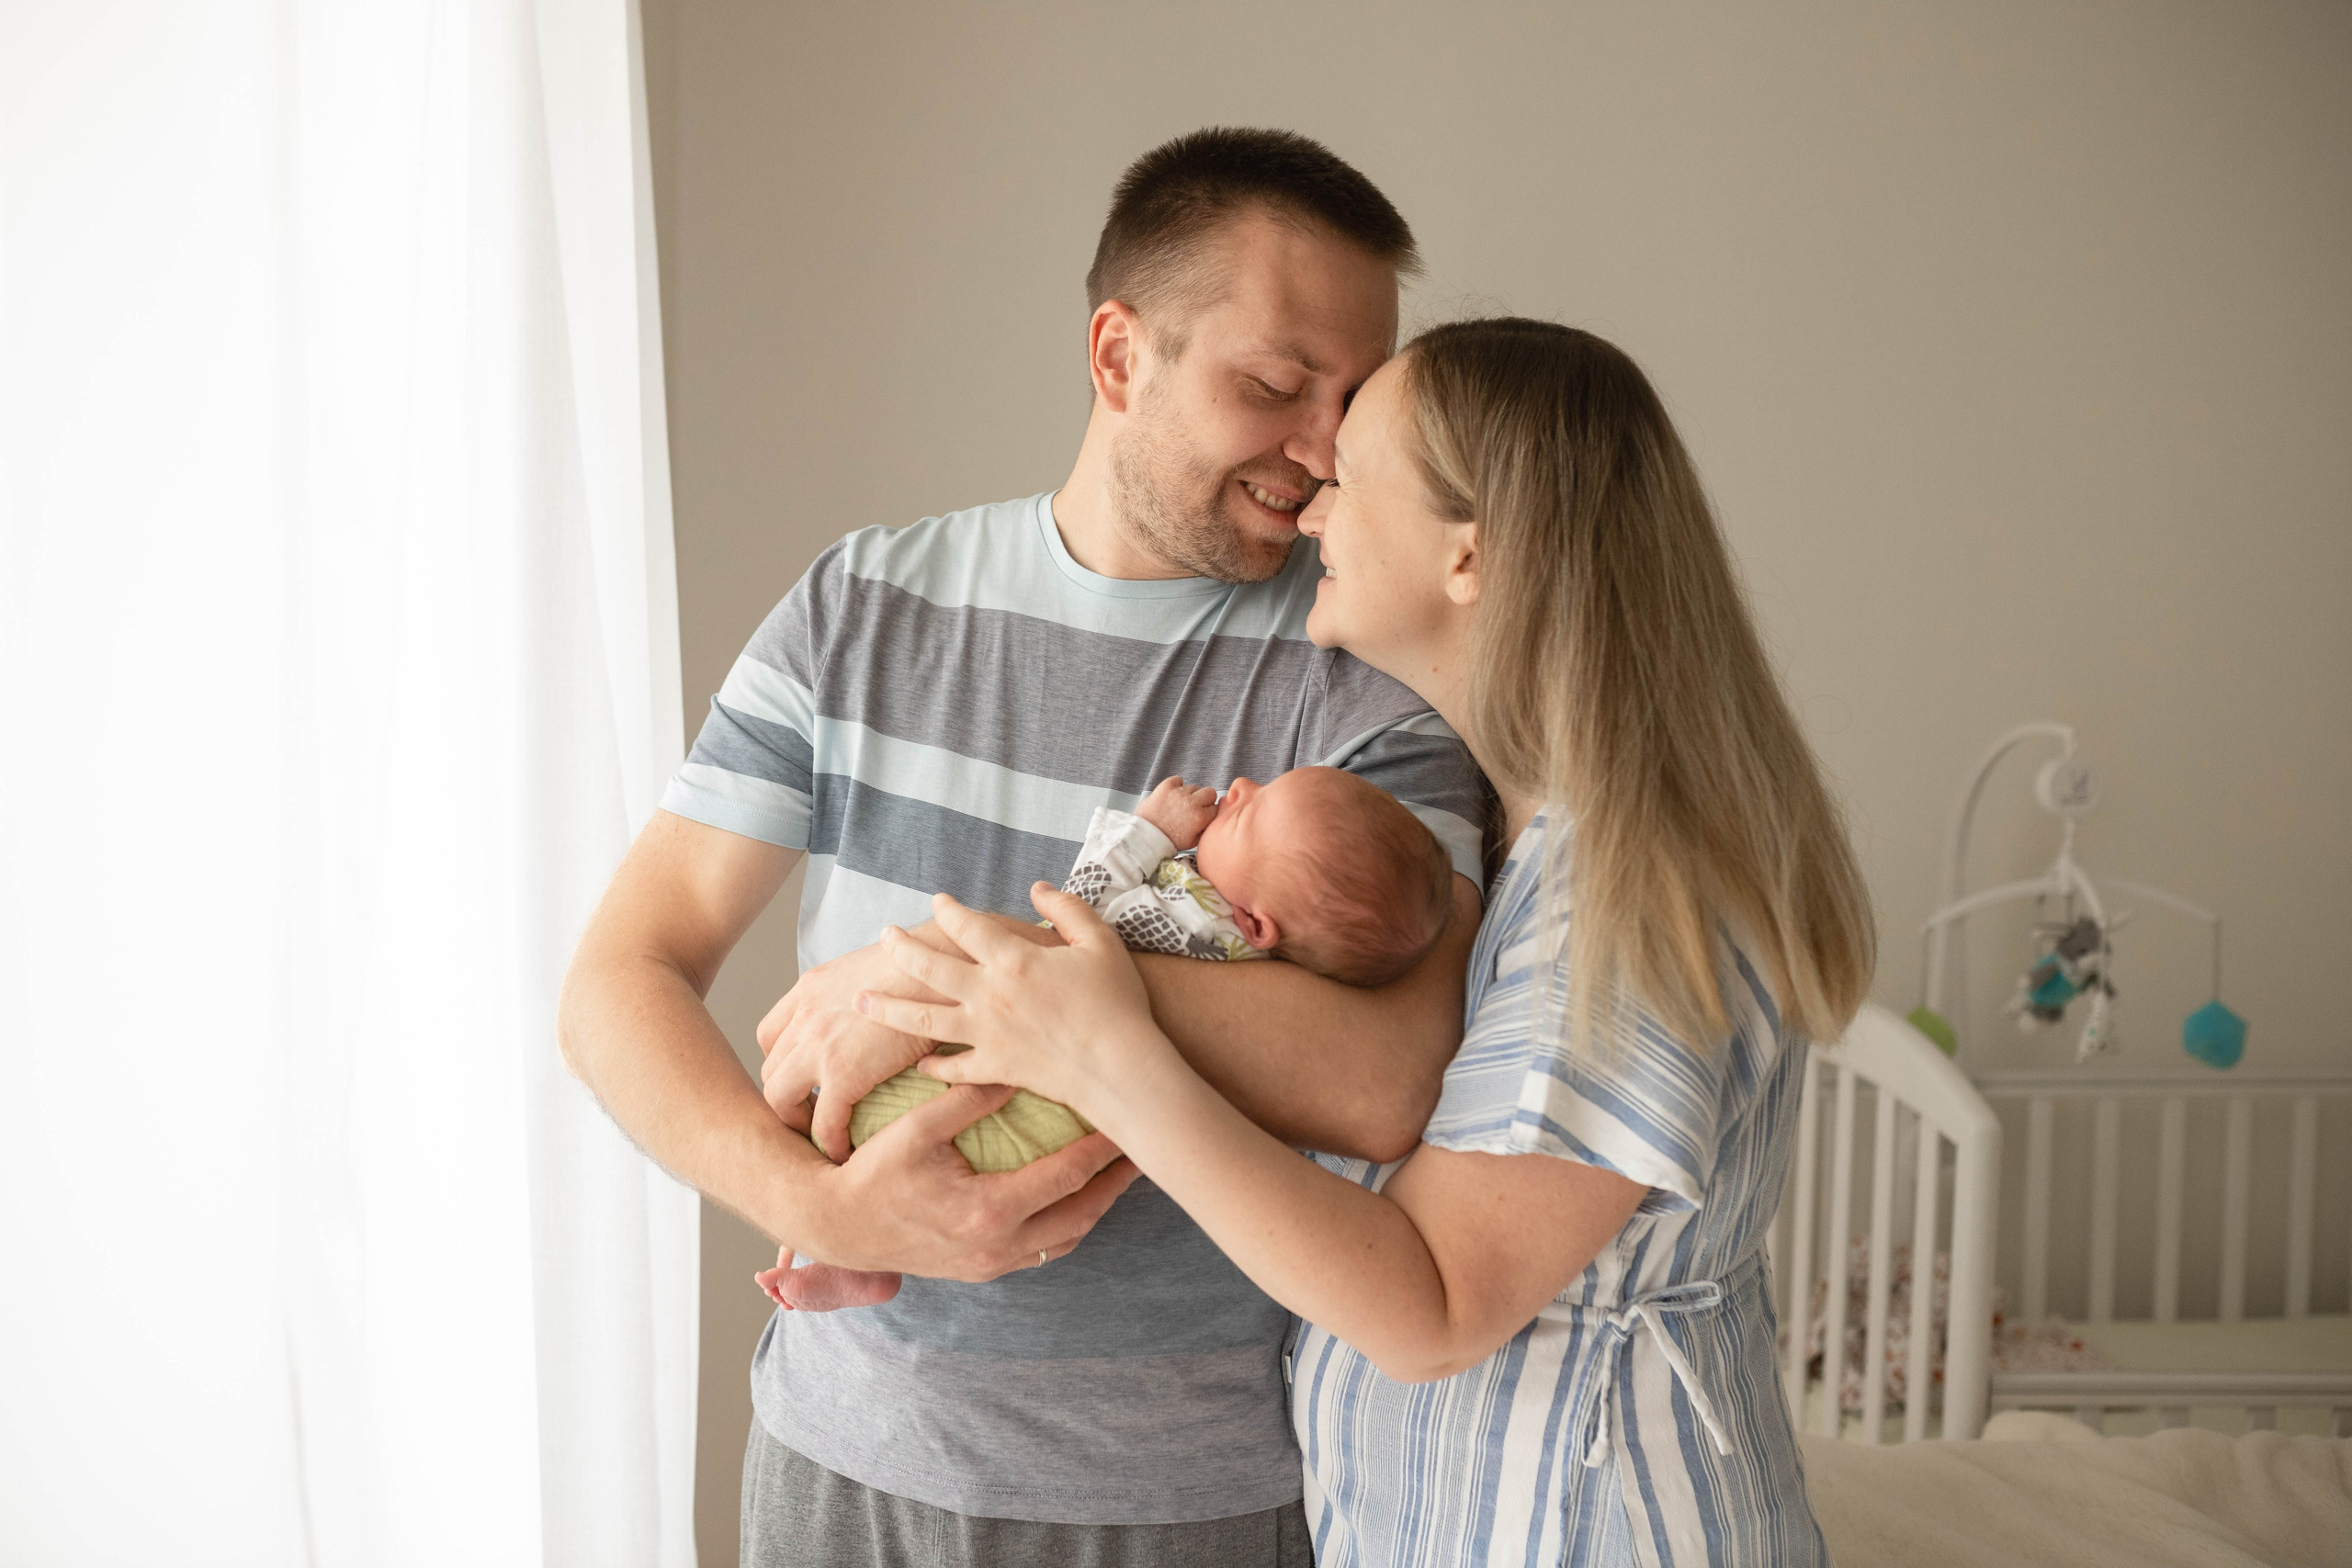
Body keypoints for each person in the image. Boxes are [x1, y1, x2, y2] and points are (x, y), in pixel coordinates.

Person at [559, 129, 1490, 1565]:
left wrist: (948, 981)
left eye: (1350, 402)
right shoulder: (862, 604)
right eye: (1272, 385)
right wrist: (821, 1204)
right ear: (1119, 356)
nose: (1321, 452)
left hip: (1184, 1500)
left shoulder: (1365, 670)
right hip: (837, 1460)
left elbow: (1388, 1081)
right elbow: (621, 976)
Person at [850, 319, 1877, 1567]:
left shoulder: (1632, 892)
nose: (1314, 510)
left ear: (1468, 554)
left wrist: (1104, 1055)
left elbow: (1431, 1305)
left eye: (1350, 478)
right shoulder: (1519, 846)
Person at [759, 765, 1456, 1313]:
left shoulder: (1194, 915)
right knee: (913, 1145)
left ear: (1254, 922)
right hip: (1077, 1127)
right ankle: (859, 1258)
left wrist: (1150, 831)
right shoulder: (1266, 975)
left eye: (1251, 812)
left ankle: (852, 1251)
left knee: (884, 1109)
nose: (1242, 785)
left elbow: (1082, 909)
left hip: (1034, 1085)